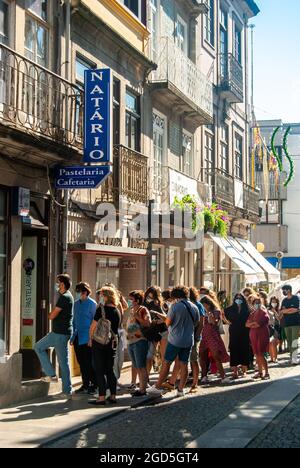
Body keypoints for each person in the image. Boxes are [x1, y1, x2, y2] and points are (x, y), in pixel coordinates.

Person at [148, 286, 200, 398]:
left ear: (175, 297)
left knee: (166, 363)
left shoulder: (175, 306)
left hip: (175, 340)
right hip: (188, 340)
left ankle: (157, 386)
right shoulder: (194, 307)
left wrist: (163, 318)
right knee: (184, 364)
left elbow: (167, 323)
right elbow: (196, 322)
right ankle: (181, 390)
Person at [34, 274, 74, 398]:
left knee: (39, 347)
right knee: (63, 362)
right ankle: (65, 388)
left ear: (62, 284)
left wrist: (49, 313)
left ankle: (53, 377)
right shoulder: (68, 296)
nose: (56, 285)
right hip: (61, 333)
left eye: (58, 282)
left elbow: (52, 315)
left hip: (59, 334)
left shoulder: (65, 297)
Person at [88, 287, 121, 405]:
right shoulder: (117, 310)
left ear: (106, 296)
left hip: (100, 342)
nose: (100, 297)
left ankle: (101, 397)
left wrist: (90, 338)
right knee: (110, 369)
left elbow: (93, 326)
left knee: (99, 369)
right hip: (112, 342)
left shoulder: (101, 309)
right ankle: (113, 396)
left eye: (101, 295)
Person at [70, 282, 97, 394]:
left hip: (88, 337)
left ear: (85, 292)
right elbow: (74, 320)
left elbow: (94, 322)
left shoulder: (92, 304)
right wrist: (72, 337)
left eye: (79, 292)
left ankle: (94, 384)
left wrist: (92, 337)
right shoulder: (76, 304)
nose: (77, 294)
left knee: (89, 362)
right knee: (81, 362)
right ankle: (85, 384)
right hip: (77, 336)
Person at [199, 296, 230, 384]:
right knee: (203, 356)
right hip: (203, 336)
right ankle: (204, 376)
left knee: (216, 356)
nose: (203, 307)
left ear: (208, 304)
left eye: (204, 305)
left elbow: (215, 323)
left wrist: (210, 317)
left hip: (213, 336)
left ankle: (223, 376)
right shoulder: (201, 312)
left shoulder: (216, 311)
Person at [126, 290, 151, 397]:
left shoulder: (143, 310)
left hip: (140, 341)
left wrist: (138, 317)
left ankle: (143, 390)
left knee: (141, 366)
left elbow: (148, 323)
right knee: (137, 366)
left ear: (137, 300)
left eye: (131, 299)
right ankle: (140, 387)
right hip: (131, 341)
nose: (129, 301)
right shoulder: (131, 310)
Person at [225, 294, 250, 379]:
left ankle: (244, 370)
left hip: (245, 332)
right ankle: (235, 372)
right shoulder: (230, 309)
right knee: (234, 349)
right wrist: (227, 322)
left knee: (244, 350)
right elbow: (224, 317)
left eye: (240, 298)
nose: (238, 299)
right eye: (237, 298)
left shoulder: (247, 309)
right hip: (234, 331)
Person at [246, 296, 270, 380]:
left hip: (262, 335)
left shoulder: (263, 312)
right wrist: (253, 323)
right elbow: (246, 324)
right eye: (255, 303)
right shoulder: (252, 314)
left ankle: (266, 373)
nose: (257, 304)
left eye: (258, 302)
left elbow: (258, 324)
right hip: (253, 335)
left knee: (261, 353)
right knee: (257, 354)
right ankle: (260, 372)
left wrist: (252, 324)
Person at [281, 285, 300, 365]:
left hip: (295, 323)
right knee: (289, 342)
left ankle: (294, 358)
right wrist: (290, 310)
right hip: (286, 323)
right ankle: (292, 358)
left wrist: (287, 310)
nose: (283, 291)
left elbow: (297, 309)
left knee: (294, 341)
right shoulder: (284, 300)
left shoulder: (296, 298)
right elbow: (282, 311)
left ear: (288, 290)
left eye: (284, 290)